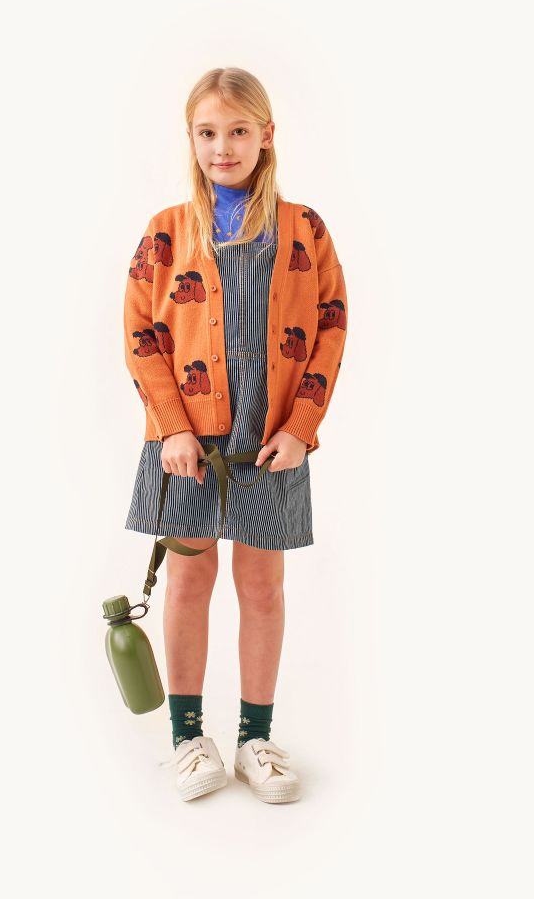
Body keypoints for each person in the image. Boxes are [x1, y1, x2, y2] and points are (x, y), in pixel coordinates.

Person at [122, 67, 348, 803]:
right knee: (189, 582)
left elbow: (331, 326)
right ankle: (189, 738)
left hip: (273, 442)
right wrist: (171, 429)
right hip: (184, 447)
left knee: (262, 586)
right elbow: (142, 335)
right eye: (209, 132)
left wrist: (303, 427)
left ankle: (256, 737)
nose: (223, 146)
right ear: (191, 139)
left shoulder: (305, 229)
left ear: (266, 136)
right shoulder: (166, 231)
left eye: (239, 131)